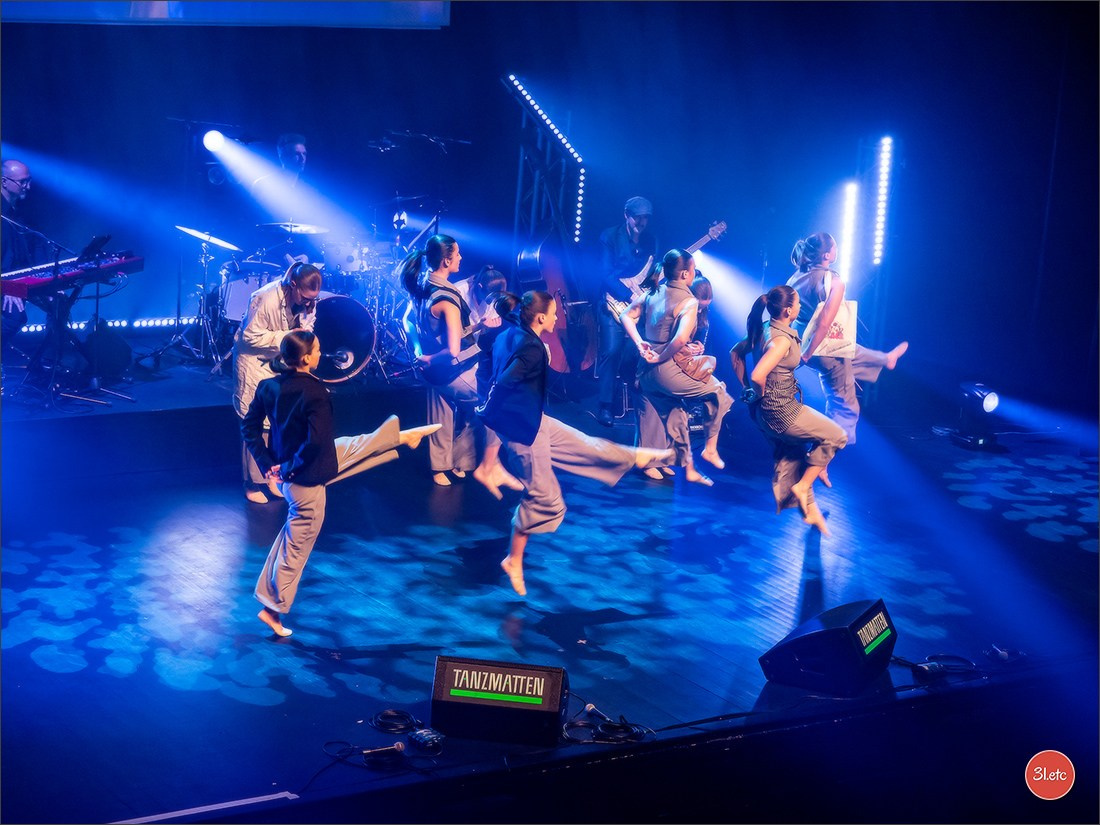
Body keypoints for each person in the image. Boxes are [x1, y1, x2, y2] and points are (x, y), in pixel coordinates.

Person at [243, 330, 440, 637]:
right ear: (306, 358)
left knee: (349, 445)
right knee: (294, 549)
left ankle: (401, 436)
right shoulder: (315, 392)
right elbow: (314, 443)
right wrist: (288, 469)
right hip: (305, 482)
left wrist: (270, 465)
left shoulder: (269, 386)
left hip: (294, 472)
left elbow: (251, 428)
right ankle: (272, 610)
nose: (322, 353)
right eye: (318, 349)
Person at [478, 290, 673, 597]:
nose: (558, 317)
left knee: (588, 445)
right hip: (523, 435)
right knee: (547, 501)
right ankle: (512, 559)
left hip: (534, 420)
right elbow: (502, 383)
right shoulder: (531, 347)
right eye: (554, 313)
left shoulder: (512, 330)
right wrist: (487, 413)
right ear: (540, 318)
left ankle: (641, 456)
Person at [401, 235, 521, 498]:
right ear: (446, 260)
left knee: (441, 414)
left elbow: (408, 321)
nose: (461, 258)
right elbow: (453, 350)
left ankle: (443, 465)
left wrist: (420, 353)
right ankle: (483, 465)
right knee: (493, 404)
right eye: (457, 254)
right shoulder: (448, 297)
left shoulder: (424, 284)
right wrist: (430, 358)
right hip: (449, 370)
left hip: (431, 371)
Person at [730, 285, 847, 534]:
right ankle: (805, 485)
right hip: (781, 412)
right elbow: (759, 374)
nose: (800, 306)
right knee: (837, 436)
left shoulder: (764, 328)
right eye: (796, 303)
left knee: (794, 457)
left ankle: (811, 506)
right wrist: (757, 391)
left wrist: (746, 390)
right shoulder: (781, 341)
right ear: (787, 310)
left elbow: (735, 354)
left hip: (765, 412)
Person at [620, 249, 732, 486]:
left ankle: (671, 461)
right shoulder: (688, 300)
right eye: (692, 270)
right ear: (684, 273)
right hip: (664, 367)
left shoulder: (653, 292)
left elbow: (626, 315)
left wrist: (641, 343)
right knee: (718, 391)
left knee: (675, 412)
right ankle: (709, 449)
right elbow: (679, 339)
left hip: (648, 365)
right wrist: (660, 357)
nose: (693, 274)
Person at [786, 232, 908, 444]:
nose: (837, 250)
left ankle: (885, 359)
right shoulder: (833, 281)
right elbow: (824, 322)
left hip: (802, 340)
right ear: (826, 255)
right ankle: (822, 455)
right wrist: (807, 353)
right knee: (845, 404)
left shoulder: (796, 276)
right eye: (834, 247)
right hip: (820, 347)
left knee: (852, 350)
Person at [233, 261, 322, 503]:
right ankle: (252, 484)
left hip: (279, 363)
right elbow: (249, 336)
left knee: (277, 422)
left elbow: (306, 328)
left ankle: (272, 477)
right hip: (255, 362)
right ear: (293, 285)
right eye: (305, 297)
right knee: (256, 423)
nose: (308, 303)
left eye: (312, 298)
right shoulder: (265, 298)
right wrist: (288, 338)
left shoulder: (308, 301)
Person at [595, 196, 658, 426]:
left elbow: (652, 272)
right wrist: (628, 295)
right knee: (611, 351)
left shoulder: (651, 241)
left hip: (639, 304)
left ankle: (636, 401)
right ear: (626, 215)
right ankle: (605, 406)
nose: (642, 222)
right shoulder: (609, 236)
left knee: (637, 350)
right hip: (612, 301)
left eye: (645, 218)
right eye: (637, 217)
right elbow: (604, 273)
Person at [1, 159, 38, 361]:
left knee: (58, 304)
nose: (28, 187)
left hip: (17, 279)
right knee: (15, 318)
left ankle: (46, 365)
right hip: (5, 283)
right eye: (23, 182)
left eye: (29, 180)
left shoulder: (16, 213)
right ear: (4, 182)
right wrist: (9, 287)